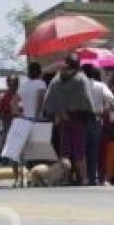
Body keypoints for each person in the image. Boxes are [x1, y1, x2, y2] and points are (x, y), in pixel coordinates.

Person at [43, 54, 95, 184]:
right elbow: (86, 100)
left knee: (65, 152)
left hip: (62, 120)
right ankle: (83, 178)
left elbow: (49, 100)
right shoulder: (81, 79)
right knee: (79, 151)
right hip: (78, 119)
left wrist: (59, 112)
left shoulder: (56, 80)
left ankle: (65, 178)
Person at [83, 64, 114, 185]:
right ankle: (93, 178)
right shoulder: (100, 85)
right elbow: (112, 99)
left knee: (81, 151)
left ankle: (84, 177)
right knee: (94, 150)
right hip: (96, 120)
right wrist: (105, 108)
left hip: (80, 120)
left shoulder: (79, 85)